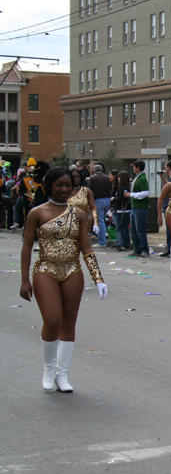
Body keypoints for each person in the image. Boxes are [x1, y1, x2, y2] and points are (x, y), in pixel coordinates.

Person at [19, 167, 108, 393]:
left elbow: (86, 247)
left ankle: (63, 375)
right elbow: (27, 247)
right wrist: (24, 280)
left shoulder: (78, 214)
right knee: (53, 319)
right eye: (59, 185)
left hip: (72, 271)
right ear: (49, 186)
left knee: (69, 322)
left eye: (68, 185)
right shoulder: (36, 213)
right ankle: (49, 370)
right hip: (45, 270)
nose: (64, 189)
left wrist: (98, 278)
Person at [125, 160, 150, 257]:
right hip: (134, 207)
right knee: (133, 230)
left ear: (138, 167)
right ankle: (137, 249)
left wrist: (131, 195)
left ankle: (144, 249)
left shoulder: (142, 179)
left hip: (141, 207)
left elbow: (145, 193)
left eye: (134, 167)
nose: (133, 168)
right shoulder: (137, 178)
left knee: (140, 229)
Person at [67, 169, 99, 238]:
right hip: (66, 223)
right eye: (73, 177)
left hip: (82, 223)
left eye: (78, 177)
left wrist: (96, 222)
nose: (76, 179)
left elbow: (93, 207)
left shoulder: (86, 191)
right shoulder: (64, 190)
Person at [87, 164, 112, 247]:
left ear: (94, 171)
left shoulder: (93, 178)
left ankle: (102, 241)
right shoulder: (107, 177)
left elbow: (89, 190)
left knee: (99, 220)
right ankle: (104, 233)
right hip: (107, 199)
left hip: (98, 200)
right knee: (103, 219)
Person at [111, 171, 131, 251]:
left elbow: (122, 198)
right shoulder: (122, 187)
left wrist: (114, 199)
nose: (118, 179)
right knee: (123, 227)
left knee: (122, 227)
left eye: (119, 177)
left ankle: (125, 244)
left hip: (122, 210)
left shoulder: (123, 188)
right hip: (121, 209)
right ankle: (123, 243)